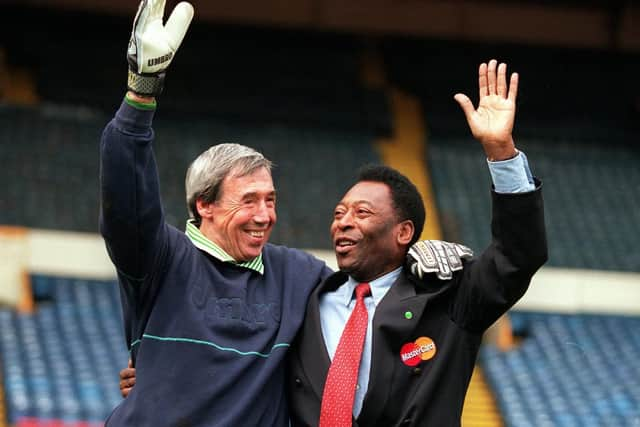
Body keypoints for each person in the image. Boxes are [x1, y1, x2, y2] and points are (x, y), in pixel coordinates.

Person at [102, 1, 456, 426]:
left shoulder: (299, 275)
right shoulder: (159, 258)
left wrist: (421, 259)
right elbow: (126, 198)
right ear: (205, 205)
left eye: (270, 200)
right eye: (248, 200)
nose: (264, 214)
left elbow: (370, 290)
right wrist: (142, 91)